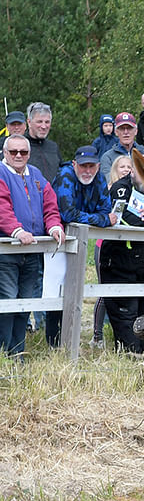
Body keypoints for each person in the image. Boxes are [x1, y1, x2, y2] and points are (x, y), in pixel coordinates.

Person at [0, 134, 65, 356]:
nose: (19, 156)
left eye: (24, 152)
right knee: (7, 300)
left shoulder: (36, 175)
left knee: (25, 302)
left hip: (33, 251)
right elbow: (2, 208)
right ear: (5, 153)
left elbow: (50, 206)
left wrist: (55, 226)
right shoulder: (0, 173)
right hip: (7, 250)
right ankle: (3, 351)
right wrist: (16, 230)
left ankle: (17, 352)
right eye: (13, 152)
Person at [50, 145, 116, 348]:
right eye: (83, 165)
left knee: (76, 288)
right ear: (74, 164)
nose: (87, 170)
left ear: (97, 166)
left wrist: (99, 218)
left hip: (80, 240)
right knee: (56, 290)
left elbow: (106, 207)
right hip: (56, 238)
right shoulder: (65, 176)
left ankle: (70, 339)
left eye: (92, 166)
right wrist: (101, 219)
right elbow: (67, 214)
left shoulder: (99, 178)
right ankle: (53, 342)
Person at [102, 154, 144, 352]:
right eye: (140, 169)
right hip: (121, 264)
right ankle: (129, 358)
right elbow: (122, 218)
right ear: (133, 170)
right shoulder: (120, 188)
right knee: (128, 328)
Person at [99, 112, 144, 178]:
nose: (126, 132)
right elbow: (108, 182)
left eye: (129, 128)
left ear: (136, 131)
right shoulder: (107, 157)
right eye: (122, 128)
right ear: (116, 132)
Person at [25, 102, 60, 186]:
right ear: (29, 122)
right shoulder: (19, 147)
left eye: (47, 122)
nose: (44, 126)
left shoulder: (53, 147)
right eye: (39, 122)